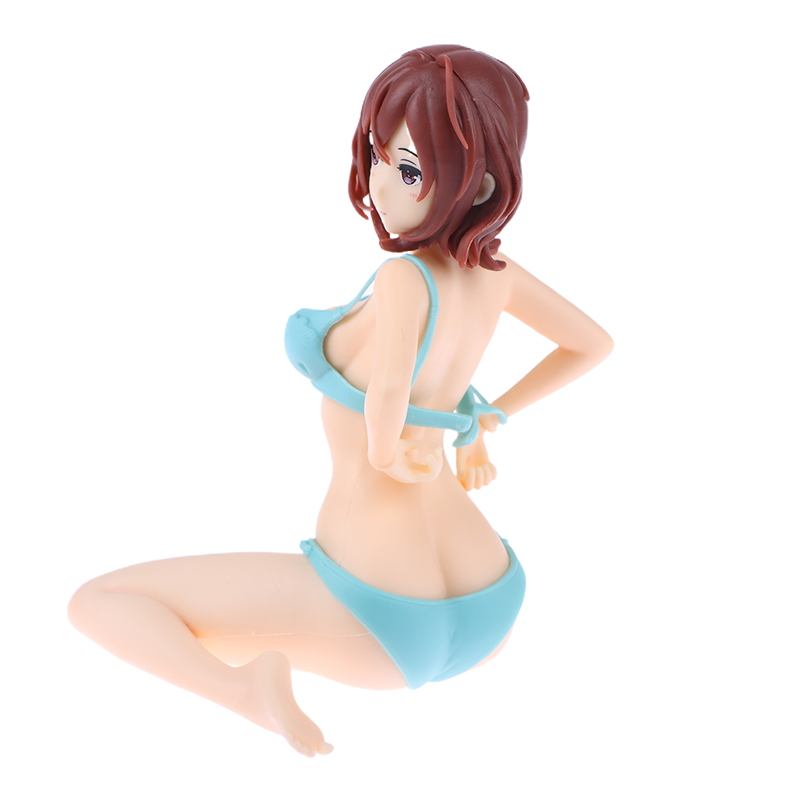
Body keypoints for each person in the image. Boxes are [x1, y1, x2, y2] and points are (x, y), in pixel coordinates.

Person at [68, 45, 613, 758]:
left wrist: (387, 453)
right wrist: (492, 413)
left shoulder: (401, 279)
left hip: (377, 608)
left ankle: (243, 691)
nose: (380, 184)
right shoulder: (499, 274)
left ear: (477, 184)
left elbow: (388, 391)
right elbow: (591, 344)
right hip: (494, 595)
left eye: (409, 170)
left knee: (100, 603)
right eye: (379, 155)